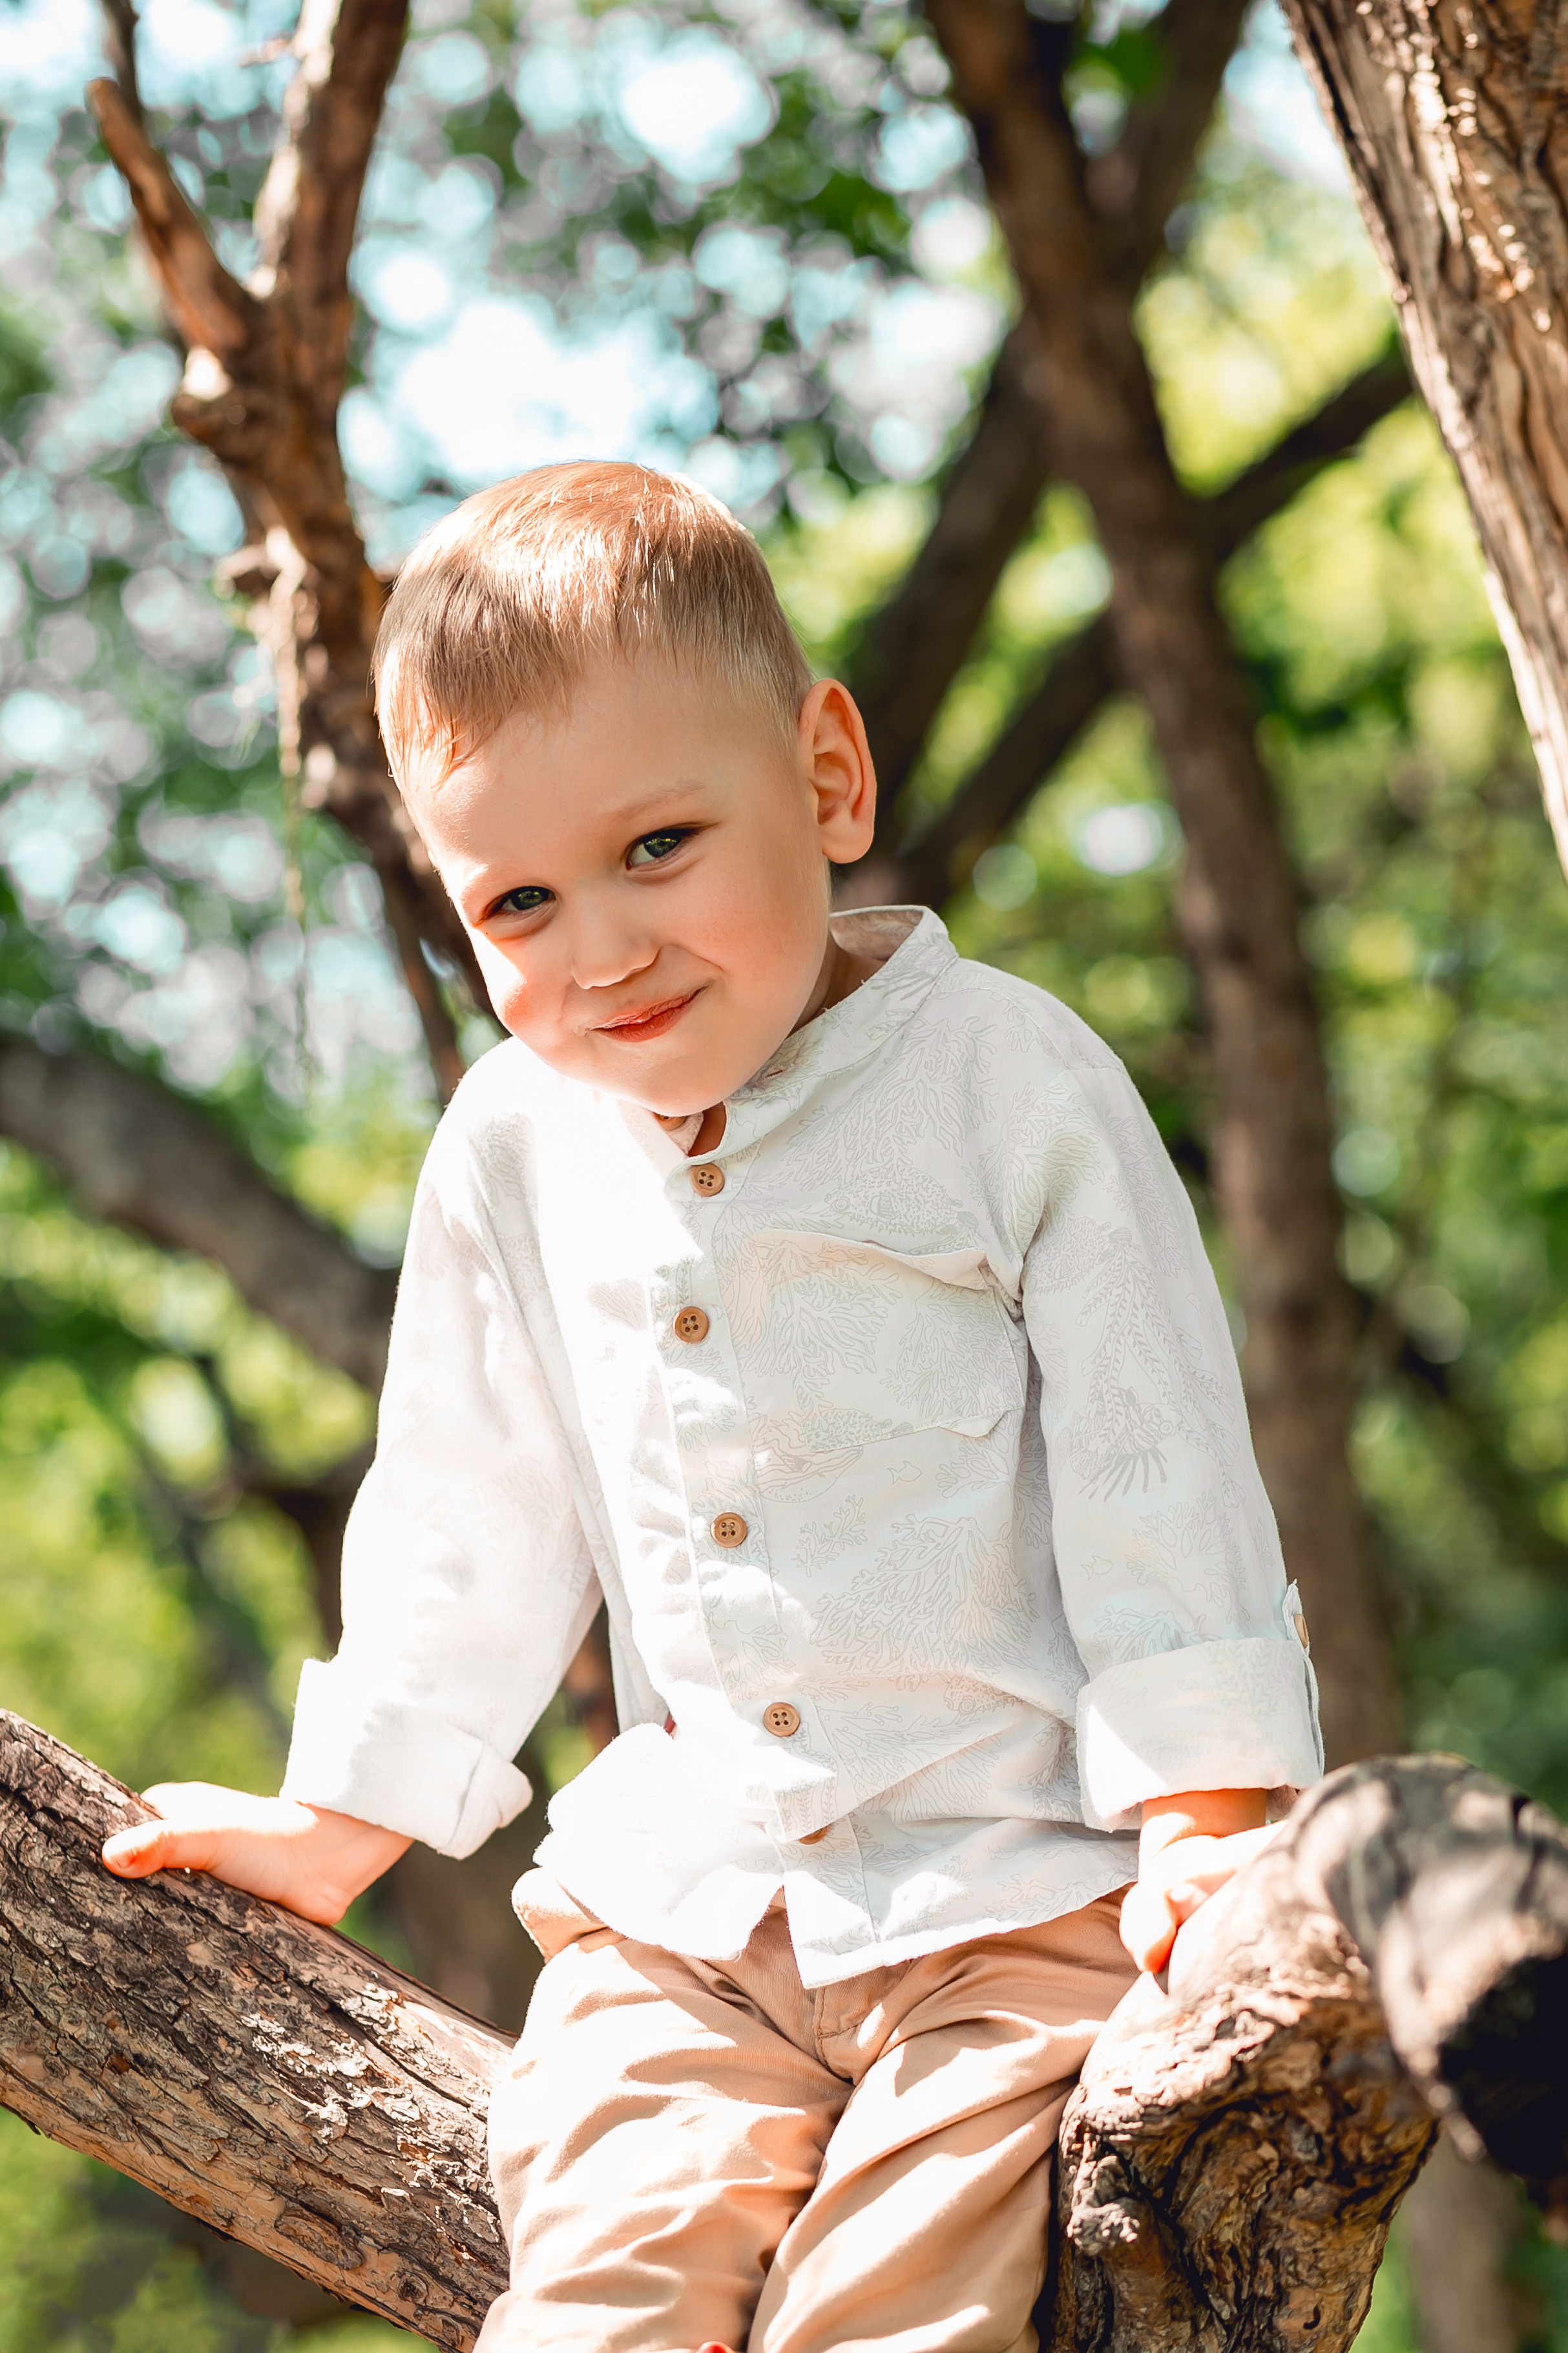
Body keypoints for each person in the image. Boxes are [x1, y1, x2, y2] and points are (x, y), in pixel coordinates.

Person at [103, 461, 1322, 2353]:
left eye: (657, 845)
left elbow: (1148, 1444)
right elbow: (467, 1496)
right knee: (588, 2295)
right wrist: (343, 1812)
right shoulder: (511, 1141)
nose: (597, 949)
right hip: (682, 1913)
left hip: (1015, 1906)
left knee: (892, 2319)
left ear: (825, 777)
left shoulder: (1005, 1081)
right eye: (517, 898)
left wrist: (1210, 1812)